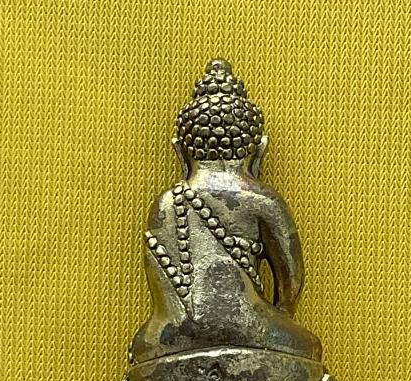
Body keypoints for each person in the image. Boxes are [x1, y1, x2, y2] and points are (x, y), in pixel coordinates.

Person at [131, 60, 322, 364]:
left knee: (143, 343)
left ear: (180, 151)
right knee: (308, 344)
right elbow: (291, 283)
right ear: (259, 150)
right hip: (248, 326)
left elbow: (161, 294)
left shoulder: (165, 204)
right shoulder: (262, 199)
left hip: (169, 338)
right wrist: (276, 319)